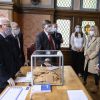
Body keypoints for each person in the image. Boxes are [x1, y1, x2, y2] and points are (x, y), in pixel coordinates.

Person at [0, 18, 15, 93]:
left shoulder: (6, 38)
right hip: (3, 80)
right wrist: (7, 77)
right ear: (1, 26)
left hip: (10, 74)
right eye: (8, 26)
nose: (10, 28)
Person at [83, 25, 100, 93]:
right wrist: (85, 54)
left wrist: (90, 56)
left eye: (92, 30)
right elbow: (85, 47)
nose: (90, 31)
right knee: (85, 70)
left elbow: (97, 50)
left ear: (95, 31)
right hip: (87, 57)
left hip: (93, 58)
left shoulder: (98, 38)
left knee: (95, 72)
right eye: (90, 30)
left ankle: (96, 85)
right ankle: (84, 81)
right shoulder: (89, 37)